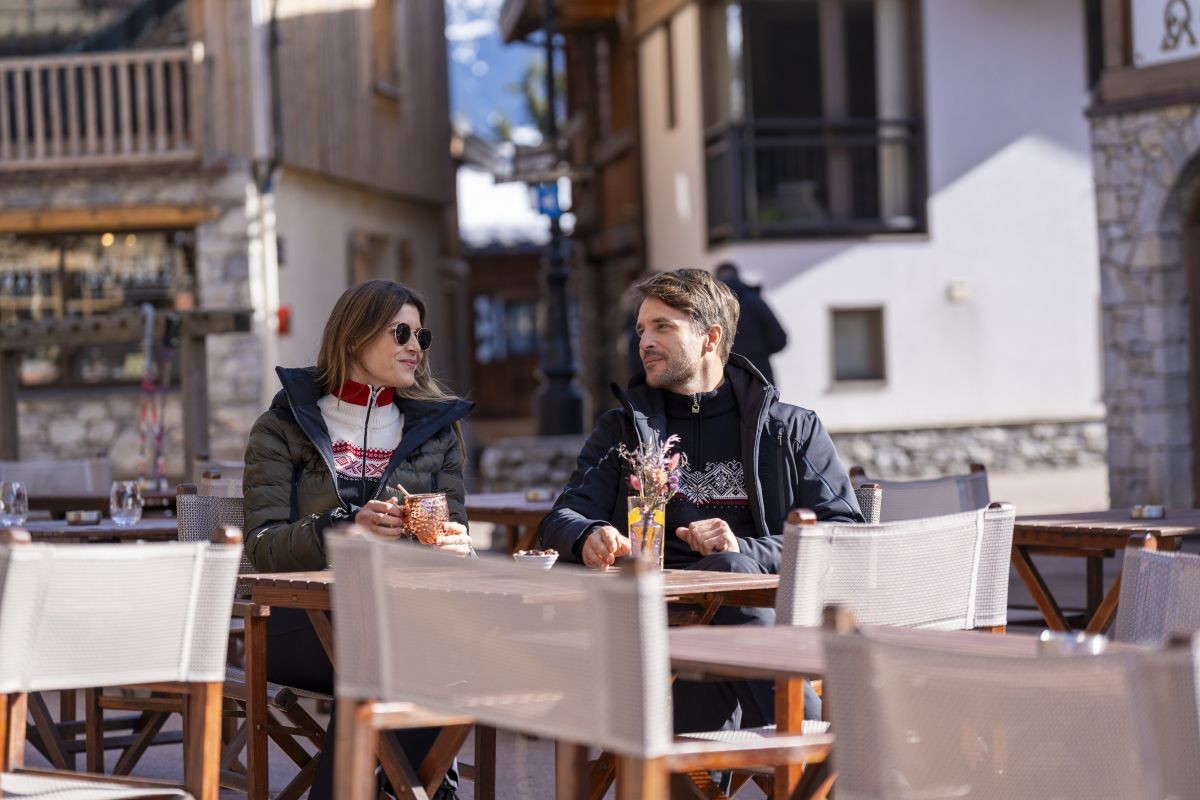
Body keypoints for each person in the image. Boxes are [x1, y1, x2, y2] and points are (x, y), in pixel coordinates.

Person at [538, 268, 861, 740]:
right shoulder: (623, 430)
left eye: (662, 327)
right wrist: (588, 536)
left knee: (726, 578)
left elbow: (844, 536)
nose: (645, 341)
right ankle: (830, 763)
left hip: (763, 616)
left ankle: (809, 763)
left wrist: (744, 549)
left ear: (710, 338)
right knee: (707, 642)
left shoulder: (791, 430)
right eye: (641, 329)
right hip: (657, 623)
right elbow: (559, 519)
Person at [243, 279, 473, 800]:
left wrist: (456, 543)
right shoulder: (282, 427)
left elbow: (454, 531)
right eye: (400, 333)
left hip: (410, 618)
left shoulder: (436, 432)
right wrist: (343, 529)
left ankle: (411, 790)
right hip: (301, 621)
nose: (415, 347)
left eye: (421, 335)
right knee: (398, 656)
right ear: (352, 338)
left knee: (438, 651)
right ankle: (431, 790)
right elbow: (260, 546)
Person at [714, 261, 788, 386]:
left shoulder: (712, 305)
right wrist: (757, 352)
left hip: (724, 378)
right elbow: (779, 340)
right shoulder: (753, 300)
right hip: (759, 375)